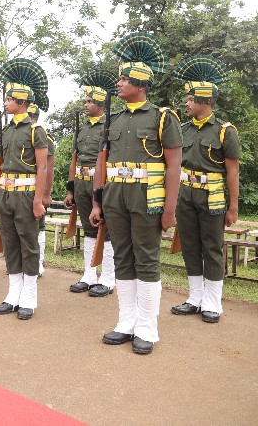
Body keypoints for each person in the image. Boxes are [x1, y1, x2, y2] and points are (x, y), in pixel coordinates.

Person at [90, 32, 182, 355]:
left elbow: (174, 166)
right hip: (116, 199)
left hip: (148, 200)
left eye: (125, 79)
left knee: (146, 260)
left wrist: (170, 210)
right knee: (122, 258)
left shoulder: (161, 119)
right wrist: (97, 201)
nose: (119, 84)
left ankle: (147, 327)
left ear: (141, 85)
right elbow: (104, 163)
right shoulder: (112, 121)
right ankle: (125, 322)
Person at [170, 55, 239, 323]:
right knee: (189, 245)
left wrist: (233, 207)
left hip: (213, 196)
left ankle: (212, 302)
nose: (187, 103)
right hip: (185, 195)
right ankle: (194, 298)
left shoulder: (224, 131)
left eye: (191, 99)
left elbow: (232, 170)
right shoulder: (183, 129)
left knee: (211, 247)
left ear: (205, 102)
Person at [0, 60, 49, 319]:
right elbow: (0, 166)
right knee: (11, 243)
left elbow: (43, 168)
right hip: (6, 195)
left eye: (9, 99)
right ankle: (13, 295)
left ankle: (29, 297)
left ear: (21, 102)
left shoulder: (36, 130)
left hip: (26, 195)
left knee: (29, 244)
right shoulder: (6, 130)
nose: (5, 102)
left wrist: (39, 200)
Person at [64, 71, 117, 297]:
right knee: (88, 229)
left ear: (100, 104)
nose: (85, 104)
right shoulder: (83, 128)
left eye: (89, 101)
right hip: (82, 184)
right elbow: (75, 159)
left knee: (105, 231)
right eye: (85, 101)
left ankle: (107, 278)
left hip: (101, 184)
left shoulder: (110, 126)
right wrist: (70, 188)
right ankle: (88, 275)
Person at [27, 99, 54, 277]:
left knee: (39, 227)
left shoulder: (44, 137)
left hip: (38, 189)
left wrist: (45, 193)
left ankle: (39, 263)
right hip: (21, 189)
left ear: (35, 117)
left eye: (29, 116)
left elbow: (48, 168)